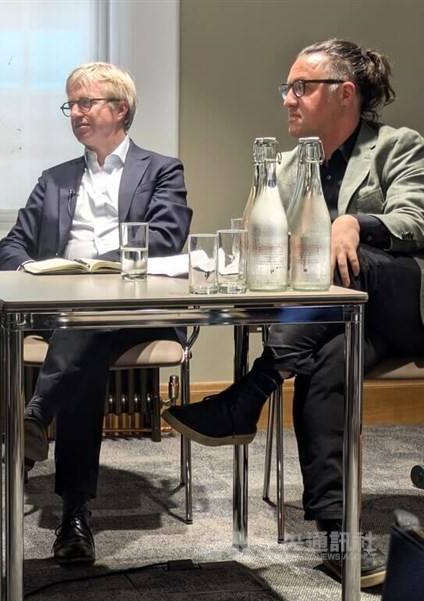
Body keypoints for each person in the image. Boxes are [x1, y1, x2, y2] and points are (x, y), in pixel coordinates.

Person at [164, 39, 424, 588]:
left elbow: (415, 220)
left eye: (301, 87)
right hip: (342, 325)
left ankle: (250, 391)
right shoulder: (284, 167)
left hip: (403, 304)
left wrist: (356, 224)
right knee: (327, 366)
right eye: (287, 88)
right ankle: (339, 539)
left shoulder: (397, 146)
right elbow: (261, 246)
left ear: (345, 93)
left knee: (349, 264)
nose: (288, 98)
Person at [0, 62, 192, 564]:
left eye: (86, 102)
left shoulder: (161, 169)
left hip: (134, 309)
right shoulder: (55, 178)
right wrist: (38, 273)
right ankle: (74, 514)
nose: (76, 113)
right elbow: (10, 246)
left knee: (88, 325)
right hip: (64, 310)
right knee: (84, 341)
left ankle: (38, 417)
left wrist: (99, 273)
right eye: (71, 105)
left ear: (120, 109)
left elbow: (167, 238)